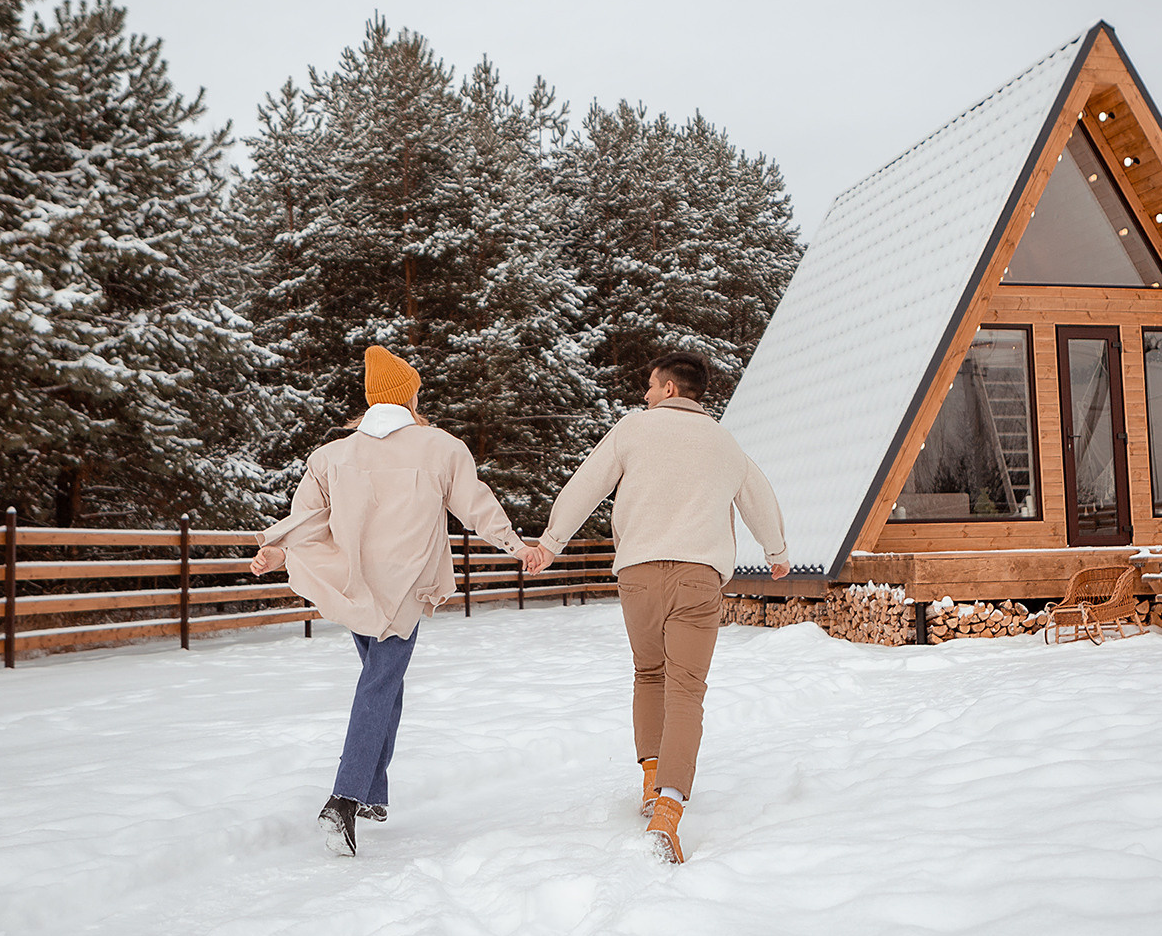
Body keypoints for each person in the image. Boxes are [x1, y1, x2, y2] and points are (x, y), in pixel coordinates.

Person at [252, 345, 532, 857]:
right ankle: (344, 797)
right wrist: (517, 546)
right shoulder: (441, 447)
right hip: (404, 588)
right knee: (380, 683)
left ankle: (373, 794)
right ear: (409, 397)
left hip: (353, 584)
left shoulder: (331, 455)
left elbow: (309, 518)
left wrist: (276, 549)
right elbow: (477, 507)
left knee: (385, 681)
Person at [531, 350, 788, 863]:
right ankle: (669, 810)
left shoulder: (633, 429)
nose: (645, 394)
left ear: (670, 389)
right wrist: (776, 553)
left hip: (639, 576)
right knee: (686, 690)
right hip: (699, 576)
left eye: (650, 385)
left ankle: (651, 783)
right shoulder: (724, 441)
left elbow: (586, 484)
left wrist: (551, 542)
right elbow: (759, 497)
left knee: (649, 674)